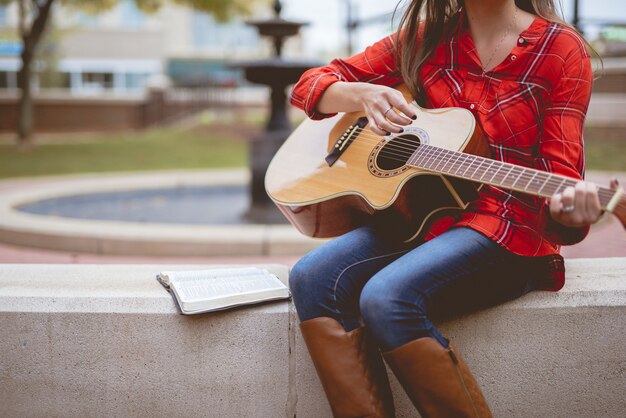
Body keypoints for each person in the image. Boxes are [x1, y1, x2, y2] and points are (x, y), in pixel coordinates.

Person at [287, 0, 618, 417]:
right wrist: (365, 93)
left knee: (387, 297)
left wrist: (574, 212)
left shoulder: (559, 48)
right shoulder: (427, 38)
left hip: (511, 227)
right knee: (313, 277)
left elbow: (561, 182)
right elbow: (310, 86)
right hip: (426, 214)